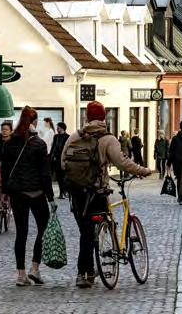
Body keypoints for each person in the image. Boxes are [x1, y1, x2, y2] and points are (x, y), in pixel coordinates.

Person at [61, 101, 152, 288]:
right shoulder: (108, 139)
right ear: (104, 117)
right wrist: (143, 171)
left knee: (85, 232)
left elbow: (63, 162)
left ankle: (84, 272)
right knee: (101, 226)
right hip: (97, 191)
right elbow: (122, 163)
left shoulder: (74, 137)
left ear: (87, 117)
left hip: (77, 192)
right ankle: (95, 262)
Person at [1, 106, 54, 287]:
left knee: (21, 233)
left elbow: (6, 172)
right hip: (37, 193)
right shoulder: (39, 144)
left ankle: (21, 275)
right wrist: (51, 197)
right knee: (43, 228)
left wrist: (5, 194)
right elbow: (45, 174)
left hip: (18, 194)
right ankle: (35, 268)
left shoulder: (9, 143)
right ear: (34, 122)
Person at [50, 122, 70, 199]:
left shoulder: (68, 137)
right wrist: (51, 156)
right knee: (58, 177)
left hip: (64, 160)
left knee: (64, 177)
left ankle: (65, 192)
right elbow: (53, 147)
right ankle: (61, 193)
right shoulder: (56, 136)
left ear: (62, 128)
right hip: (56, 160)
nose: (57, 129)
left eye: (58, 127)